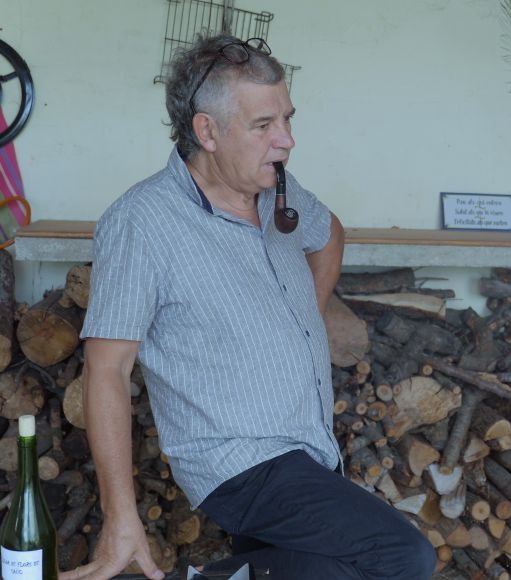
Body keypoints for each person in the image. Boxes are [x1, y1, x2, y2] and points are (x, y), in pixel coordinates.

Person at [61, 34, 435, 580]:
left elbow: (328, 233)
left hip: (308, 444)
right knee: (402, 555)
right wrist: (122, 517)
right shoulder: (142, 222)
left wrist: (306, 315)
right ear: (206, 131)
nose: (286, 140)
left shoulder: (278, 188)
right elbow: (107, 369)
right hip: (238, 462)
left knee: (317, 572)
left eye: (287, 118)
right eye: (264, 126)